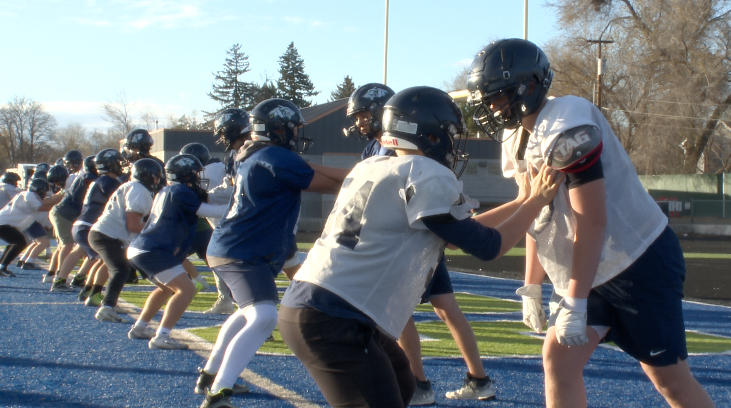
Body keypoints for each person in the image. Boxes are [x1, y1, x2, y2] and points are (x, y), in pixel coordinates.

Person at [467, 38, 716, 408]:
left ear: (529, 86)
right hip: (589, 269)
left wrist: (575, 298)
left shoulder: (567, 123)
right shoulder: (515, 136)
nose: (492, 107)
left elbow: (594, 221)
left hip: (636, 261)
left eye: (498, 96)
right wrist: (531, 285)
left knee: (669, 380)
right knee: (558, 361)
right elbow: (534, 213)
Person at [277, 86, 563, 408]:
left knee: (402, 377)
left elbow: (456, 236)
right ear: (430, 135)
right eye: (450, 134)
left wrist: (521, 202)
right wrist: (536, 201)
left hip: (320, 304)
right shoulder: (423, 172)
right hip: (333, 316)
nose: (453, 143)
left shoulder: (372, 166)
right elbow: (489, 246)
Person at [348, 82, 496, 404]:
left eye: (363, 115)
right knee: (445, 308)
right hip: (423, 230)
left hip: (412, 237)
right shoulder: (374, 150)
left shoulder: (394, 148)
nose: (359, 122)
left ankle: (419, 383)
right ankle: (478, 378)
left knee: (399, 311)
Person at [196, 98, 343, 407]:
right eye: (292, 128)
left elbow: (302, 170)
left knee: (246, 313)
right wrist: (368, 173)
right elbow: (330, 185)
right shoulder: (275, 155)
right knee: (263, 317)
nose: (295, 134)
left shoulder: (254, 153)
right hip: (243, 250)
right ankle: (219, 392)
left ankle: (210, 374)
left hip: (235, 246)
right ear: (277, 129)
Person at [126, 154, 227, 350]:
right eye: (195, 174)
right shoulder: (181, 190)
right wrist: (239, 207)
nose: (198, 178)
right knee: (186, 289)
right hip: (153, 249)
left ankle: (140, 327)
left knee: (166, 288)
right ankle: (162, 336)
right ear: (186, 174)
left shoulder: (168, 189)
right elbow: (207, 211)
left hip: (141, 248)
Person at [89, 158, 162, 322]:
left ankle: (106, 302)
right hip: (107, 235)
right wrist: (158, 228)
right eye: (155, 177)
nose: (157, 181)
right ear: (148, 176)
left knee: (121, 267)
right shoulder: (138, 190)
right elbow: (133, 225)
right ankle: (107, 307)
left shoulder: (129, 186)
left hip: (105, 233)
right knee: (120, 269)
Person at [203, 108, 251, 315]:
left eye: (223, 133)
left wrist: (203, 198)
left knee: (250, 269)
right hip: (243, 216)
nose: (221, 138)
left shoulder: (251, 150)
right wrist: (204, 196)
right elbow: (229, 186)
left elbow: (239, 188)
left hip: (256, 217)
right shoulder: (235, 154)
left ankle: (257, 316)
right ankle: (230, 301)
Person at [70, 149, 125, 303]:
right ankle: (93, 293)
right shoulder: (109, 182)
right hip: (89, 225)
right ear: (111, 164)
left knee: (101, 260)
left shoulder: (100, 180)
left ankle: (88, 291)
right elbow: (122, 204)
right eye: (118, 162)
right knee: (109, 261)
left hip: (83, 224)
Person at [50, 155, 99, 291]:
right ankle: (59, 277)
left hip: (74, 215)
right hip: (65, 213)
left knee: (82, 249)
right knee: (68, 245)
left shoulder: (86, 177)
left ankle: (76, 277)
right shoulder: (91, 179)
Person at [0, 178, 63, 277]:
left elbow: (43, 203)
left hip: (5, 222)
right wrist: (61, 204)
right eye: (43, 191)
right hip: (3, 223)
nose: (45, 194)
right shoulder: (30, 195)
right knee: (20, 242)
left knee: (16, 242)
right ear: (38, 189)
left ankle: (2, 266)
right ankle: (2, 267)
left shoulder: (27, 194)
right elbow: (42, 207)